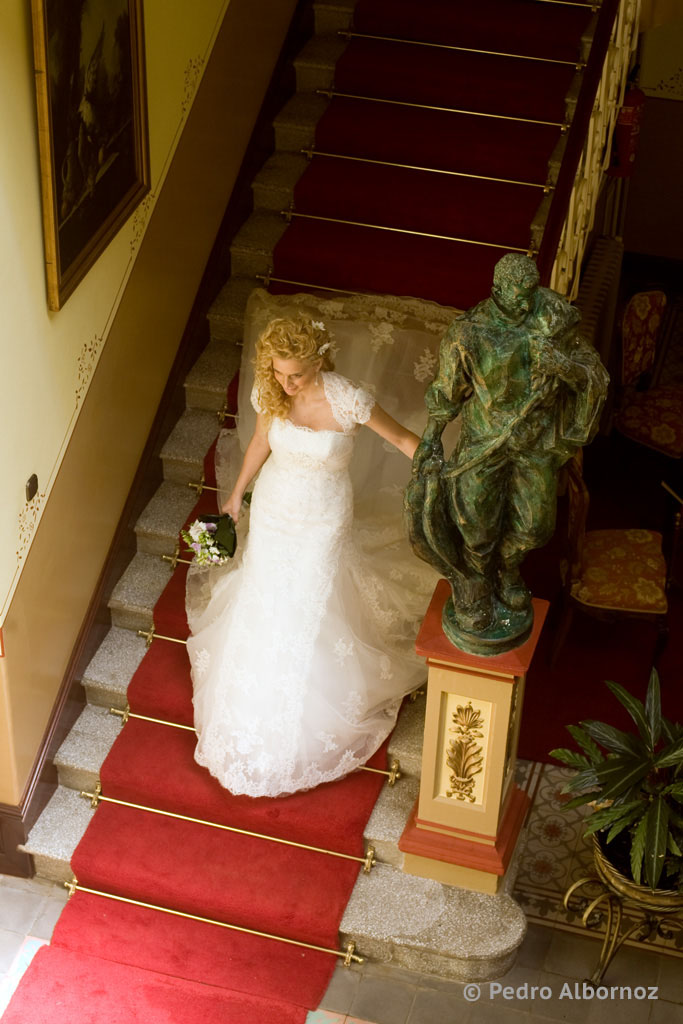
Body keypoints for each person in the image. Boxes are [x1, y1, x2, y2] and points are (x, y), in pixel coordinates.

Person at [186, 313, 433, 797]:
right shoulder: (272, 389)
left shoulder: (350, 399)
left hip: (323, 516)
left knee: (306, 601)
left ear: (319, 362)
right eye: (279, 372)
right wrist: (236, 496)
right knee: (266, 594)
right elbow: (261, 440)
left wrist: (446, 475)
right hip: (275, 508)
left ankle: (304, 707)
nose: (286, 383)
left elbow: (405, 439)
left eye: (295, 374)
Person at [408, 253, 608, 650]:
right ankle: (478, 583)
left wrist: (562, 366)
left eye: (532, 294)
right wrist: (431, 437)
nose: (527, 303)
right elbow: (447, 392)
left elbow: (593, 374)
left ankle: (508, 567)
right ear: (497, 290)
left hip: (535, 443)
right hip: (485, 442)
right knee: (475, 523)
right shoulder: (469, 333)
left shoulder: (554, 317)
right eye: (519, 296)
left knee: (535, 526)